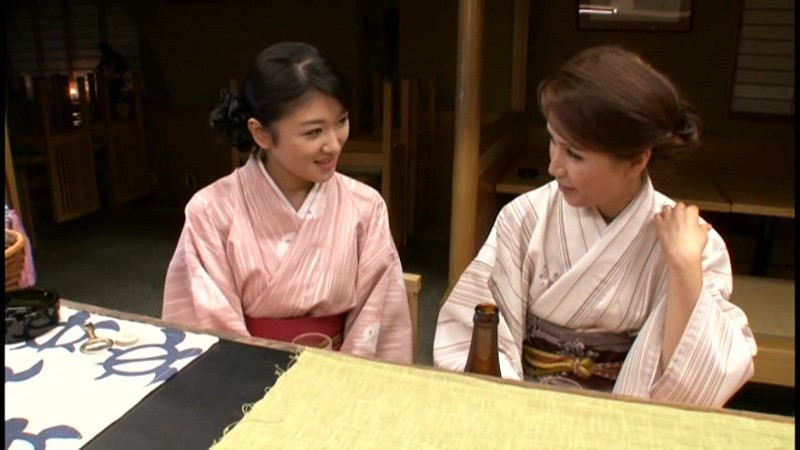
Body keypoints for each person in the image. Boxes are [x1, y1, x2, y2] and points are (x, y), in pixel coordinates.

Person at [433, 45, 756, 407]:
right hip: (527, 408)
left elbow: (694, 381)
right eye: (553, 141)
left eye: (574, 154)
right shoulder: (526, 217)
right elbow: (473, 329)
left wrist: (684, 266)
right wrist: (520, 407)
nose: (554, 166)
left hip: (626, 417)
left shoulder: (692, 242)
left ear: (636, 161)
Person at [162, 42, 412, 363]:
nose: (334, 144)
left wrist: (346, 380)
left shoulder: (365, 206)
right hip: (244, 376)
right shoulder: (211, 210)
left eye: (341, 121)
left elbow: (376, 317)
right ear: (261, 133)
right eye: (314, 132)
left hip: (341, 373)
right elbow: (206, 324)